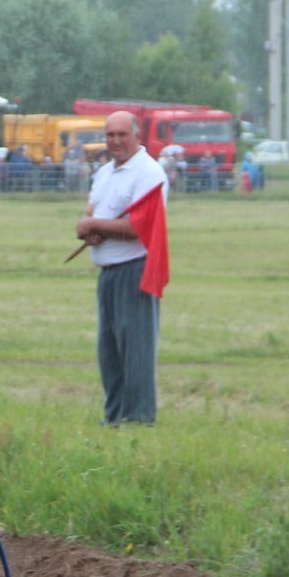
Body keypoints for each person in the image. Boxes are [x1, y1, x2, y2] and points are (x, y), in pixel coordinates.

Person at [77, 110, 169, 426]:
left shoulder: (149, 173)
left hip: (135, 270)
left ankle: (139, 418)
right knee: (110, 351)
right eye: (110, 135)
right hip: (108, 272)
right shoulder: (104, 173)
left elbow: (139, 226)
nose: (115, 141)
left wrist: (93, 224)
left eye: (122, 134)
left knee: (136, 348)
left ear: (137, 136)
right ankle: (114, 415)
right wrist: (92, 225)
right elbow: (92, 210)